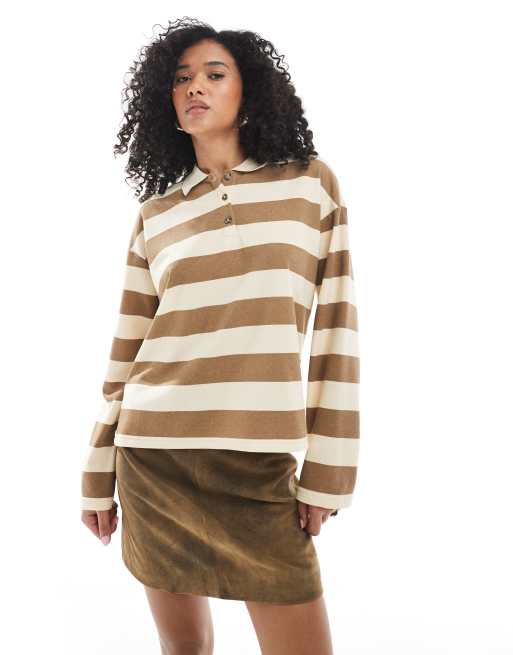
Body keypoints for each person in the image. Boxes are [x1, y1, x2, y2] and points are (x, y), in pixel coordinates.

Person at [80, 17, 360, 655]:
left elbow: (337, 328)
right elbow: (126, 350)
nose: (195, 88)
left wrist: (329, 469)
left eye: (214, 74)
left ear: (247, 89)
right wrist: (97, 467)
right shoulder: (157, 214)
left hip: (257, 461)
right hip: (153, 456)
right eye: (181, 79)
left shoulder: (309, 185)